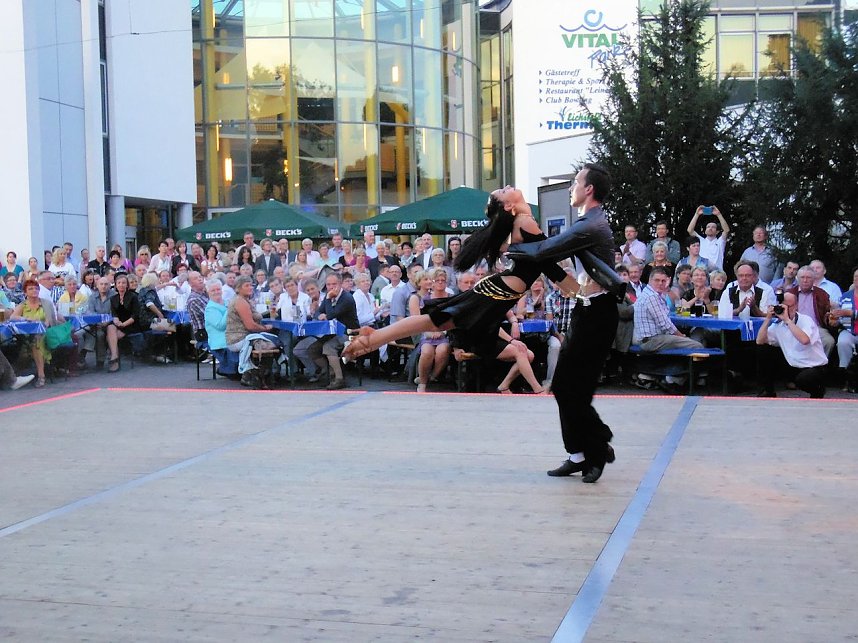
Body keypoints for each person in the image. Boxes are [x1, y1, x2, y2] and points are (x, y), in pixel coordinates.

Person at [342, 185, 580, 374]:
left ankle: (371, 340)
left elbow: (545, 261)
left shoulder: (521, 223)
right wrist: (577, 290)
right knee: (436, 321)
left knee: (437, 321)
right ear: (508, 205)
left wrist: (573, 288)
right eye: (504, 190)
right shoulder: (524, 222)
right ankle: (370, 339)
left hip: (498, 291)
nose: (508, 186)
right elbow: (548, 261)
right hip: (497, 293)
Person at [505, 164, 623, 483]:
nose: (571, 187)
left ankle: (597, 449)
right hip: (587, 310)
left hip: (599, 314)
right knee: (564, 387)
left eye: (575, 183)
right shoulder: (588, 222)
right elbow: (550, 256)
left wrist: (508, 245)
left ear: (589, 190)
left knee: (575, 389)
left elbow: (545, 249)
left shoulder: (591, 224)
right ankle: (579, 453)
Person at [756, 292, 827, 398]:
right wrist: (768, 319)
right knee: (762, 351)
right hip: (792, 363)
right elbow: (759, 341)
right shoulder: (778, 325)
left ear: (797, 305)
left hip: (812, 366)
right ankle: (768, 391)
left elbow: (804, 340)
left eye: (789, 306)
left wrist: (787, 321)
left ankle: (818, 392)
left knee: (804, 379)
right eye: (783, 306)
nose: (786, 309)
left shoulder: (806, 320)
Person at [294, 272, 358, 390]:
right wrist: (319, 315)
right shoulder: (329, 297)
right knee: (313, 349)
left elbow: (331, 314)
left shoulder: (346, 298)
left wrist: (328, 300)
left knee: (328, 347)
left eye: (334, 284)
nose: (331, 287)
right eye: (328, 284)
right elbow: (320, 311)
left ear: (340, 284)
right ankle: (329, 374)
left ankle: (339, 379)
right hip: (332, 332)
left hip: (348, 333)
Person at [10, 279, 65, 387]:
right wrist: (24, 318)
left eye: (36, 288)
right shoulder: (23, 305)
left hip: (46, 334)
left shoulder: (46, 303)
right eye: (30, 289)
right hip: (26, 335)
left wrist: (45, 322)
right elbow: (13, 317)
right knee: (33, 341)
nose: (34, 290)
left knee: (37, 341)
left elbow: (51, 320)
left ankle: (41, 376)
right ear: (25, 292)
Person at [787, 265, 835, 356]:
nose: (805, 280)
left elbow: (827, 315)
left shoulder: (822, 294)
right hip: (795, 327)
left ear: (813, 279)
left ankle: (819, 365)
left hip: (816, 328)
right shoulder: (790, 293)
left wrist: (830, 318)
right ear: (797, 278)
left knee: (829, 341)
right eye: (802, 277)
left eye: (808, 277)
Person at [829, 267, 857, 385]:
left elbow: (847, 313)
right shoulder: (846, 296)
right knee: (842, 342)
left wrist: (851, 313)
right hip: (849, 330)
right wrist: (835, 320)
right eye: (856, 277)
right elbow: (840, 316)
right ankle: (847, 376)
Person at [686, 205, 730, 270]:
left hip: (717, 275)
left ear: (717, 231)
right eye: (708, 227)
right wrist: (696, 214)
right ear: (705, 231)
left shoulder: (720, 242)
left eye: (713, 227)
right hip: (702, 274)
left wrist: (718, 214)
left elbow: (726, 230)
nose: (710, 228)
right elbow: (690, 230)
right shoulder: (700, 241)